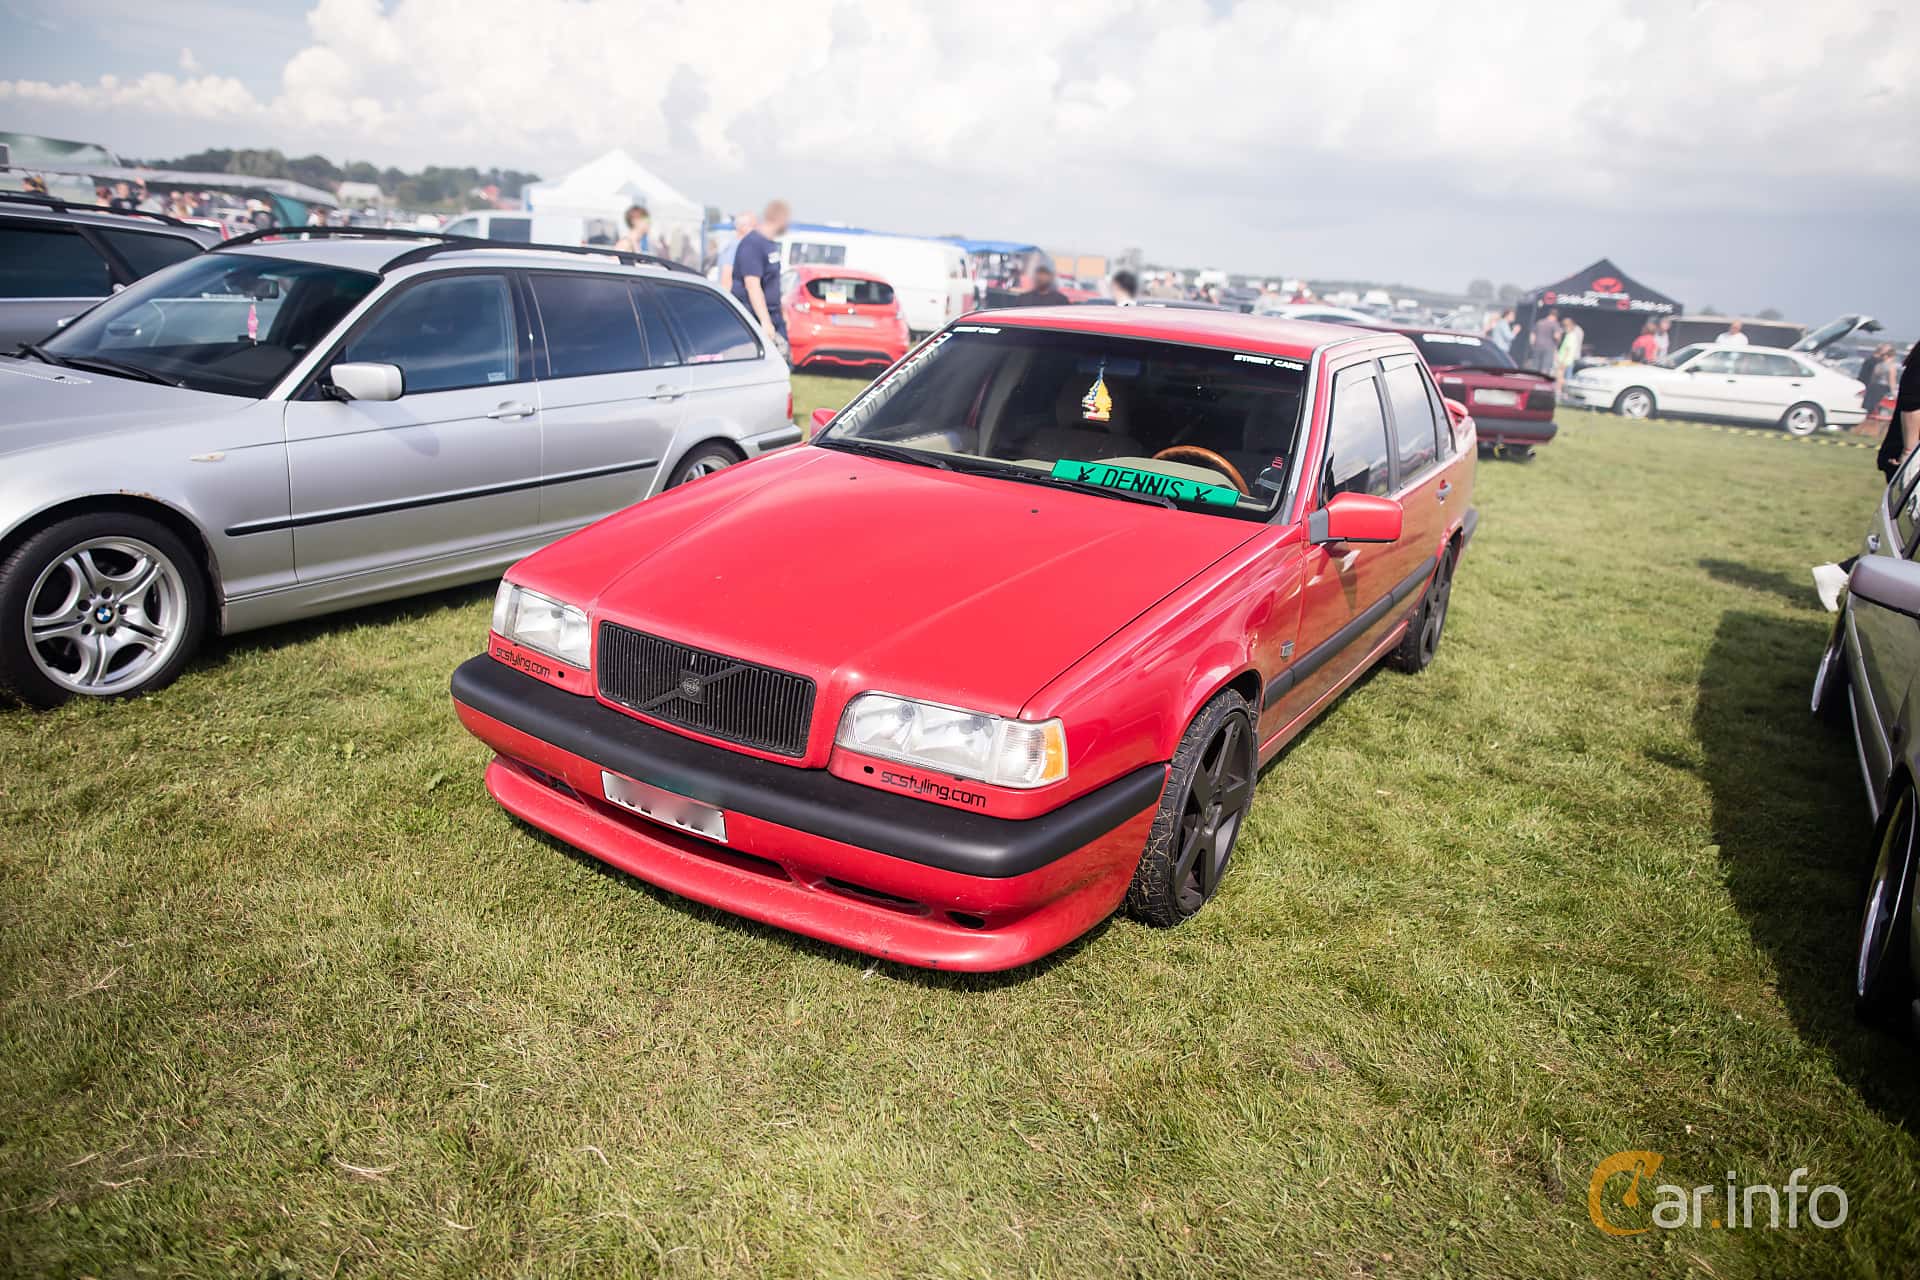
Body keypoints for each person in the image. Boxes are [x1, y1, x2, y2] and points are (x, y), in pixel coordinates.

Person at [731, 199, 791, 361]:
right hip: (754, 317)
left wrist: (782, 313)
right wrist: (765, 322)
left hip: (773, 316)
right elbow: (752, 285)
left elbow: (772, 284)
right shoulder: (752, 244)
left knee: (782, 366)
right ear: (781, 219)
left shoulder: (769, 244)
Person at [716, 212, 755, 291]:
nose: (756, 229)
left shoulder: (737, 246)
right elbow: (726, 279)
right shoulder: (735, 248)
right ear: (742, 227)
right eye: (753, 226)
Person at [1554, 315, 1583, 390]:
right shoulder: (1572, 334)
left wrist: (1563, 362)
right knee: (1566, 377)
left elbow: (1568, 350)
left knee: (1562, 378)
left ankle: (1562, 392)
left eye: (1564, 326)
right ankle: (1564, 392)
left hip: (1565, 361)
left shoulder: (1571, 336)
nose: (1563, 328)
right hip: (1568, 360)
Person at [1528, 309, 1561, 374]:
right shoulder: (1555, 324)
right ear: (1556, 316)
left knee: (1535, 365)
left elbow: (1532, 335)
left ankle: (1533, 380)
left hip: (1537, 346)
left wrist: (1532, 344)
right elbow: (1556, 336)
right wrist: (1557, 344)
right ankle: (1541, 382)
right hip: (1549, 348)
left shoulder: (1540, 322)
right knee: (1545, 366)